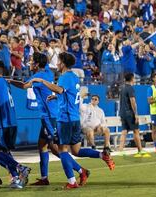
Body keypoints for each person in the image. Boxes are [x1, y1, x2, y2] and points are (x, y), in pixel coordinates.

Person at [30, 52, 115, 189]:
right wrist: (57, 98)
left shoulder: (65, 77)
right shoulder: (74, 77)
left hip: (65, 119)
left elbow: (60, 89)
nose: (57, 64)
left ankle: (72, 182)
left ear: (63, 63)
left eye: (58, 61)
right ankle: (102, 155)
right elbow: (70, 95)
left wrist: (42, 81)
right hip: (75, 118)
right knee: (76, 151)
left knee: (62, 150)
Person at [9, 52, 87, 186]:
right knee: (42, 144)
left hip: (49, 116)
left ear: (37, 64)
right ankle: (44, 177)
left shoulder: (39, 76)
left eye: (32, 61)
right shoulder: (48, 73)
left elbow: (23, 86)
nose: (29, 63)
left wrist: (9, 81)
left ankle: (81, 171)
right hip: (50, 114)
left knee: (58, 148)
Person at [0, 59, 30, 189]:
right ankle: (16, 178)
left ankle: (20, 168)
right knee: (4, 151)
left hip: (3, 123)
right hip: (11, 122)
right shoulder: (3, 82)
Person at [118, 73, 151, 158]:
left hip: (122, 113)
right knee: (136, 131)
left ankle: (120, 151)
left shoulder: (122, 89)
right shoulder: (130, 88)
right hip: (129, 113)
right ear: (132, 79)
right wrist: (136, 114)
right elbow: (133, 101)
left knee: (124, 131)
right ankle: (140, 151)